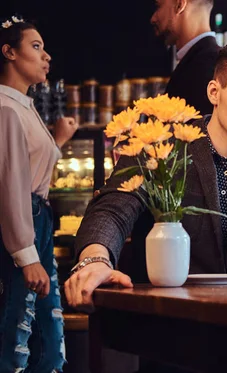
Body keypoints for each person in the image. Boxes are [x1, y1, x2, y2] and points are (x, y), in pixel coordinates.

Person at [65, 40, 227, 312]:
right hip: (166, 323)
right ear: (214, 92)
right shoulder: (160, 148)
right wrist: (95, 260)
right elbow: (111, 210)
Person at [0, 17, 78, 372]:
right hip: (24, 223)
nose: (46, 56)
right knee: (20, 326)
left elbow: (30, 166)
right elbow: (11, 185)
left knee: (48, 326)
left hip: (37, 220)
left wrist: (58, 140)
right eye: (35, 47)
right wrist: (25, 254)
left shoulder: (21, 105)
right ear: (9, 53)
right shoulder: (6, 109)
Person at [151, 0, 220, 116]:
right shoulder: (208, 61)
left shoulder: (209, 66)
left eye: (158, 6)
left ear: (179, 5)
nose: (153, 18)